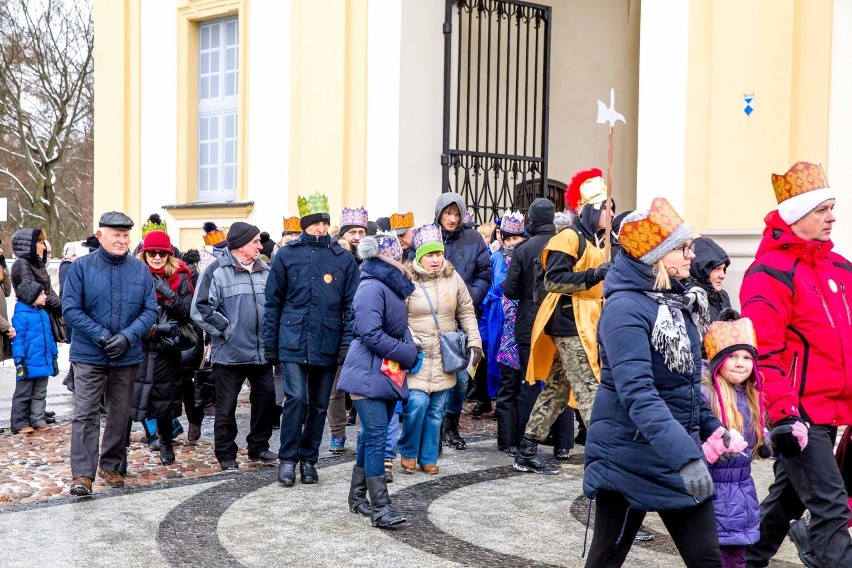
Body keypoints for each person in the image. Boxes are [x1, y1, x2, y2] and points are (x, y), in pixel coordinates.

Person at [583, 197, 725, 567]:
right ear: (656, 255)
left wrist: (713, 429)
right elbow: (639, 395)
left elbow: (684, 386)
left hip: (673, 453)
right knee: (606, 558)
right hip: (629, 459)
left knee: (708, 558)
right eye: (681, 248)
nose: (691, 255)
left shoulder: (675, 302)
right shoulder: (625, 308)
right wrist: (687, 457)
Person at [741, 161, 852, 566]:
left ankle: (744, 561)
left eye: (832, 207)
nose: (833, 216)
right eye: (822, 209)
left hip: (834, 409)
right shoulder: (768, 273)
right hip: (801, 415)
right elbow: (763, 352)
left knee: (784, 506)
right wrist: (783, 415)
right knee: (832, 508)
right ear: (796, 216)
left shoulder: (841, 268)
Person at [516, 169, 613, 474]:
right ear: (591, 209)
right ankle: (605, 460)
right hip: (570, 323)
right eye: (606, 207)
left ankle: (527, 448)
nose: (610, 213)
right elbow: (553, 281)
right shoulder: (569, 237)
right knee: (589, 389)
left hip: (588, 321)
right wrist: (594, 275)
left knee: (557, 389)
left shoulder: (599, 240)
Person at [263, 192, 359, 487]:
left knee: (319, 404)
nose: (320, 228)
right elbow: (273, 302)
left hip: (327, 341)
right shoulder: (287, 255)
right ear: (304, 225)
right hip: (292, 338)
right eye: (315, 223)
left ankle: (309, 459)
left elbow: (350, 306)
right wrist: (270, 343)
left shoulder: (342, 259)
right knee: (296, 398)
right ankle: (288, 459)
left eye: (324, 223)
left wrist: (345, 343)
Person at [62, 211, 158, 496]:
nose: (122, 240)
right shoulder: (81, 268)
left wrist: (128, 337)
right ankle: (82, 474)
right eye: (116, 235)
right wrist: (102, 335)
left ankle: (111, 465)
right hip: (89, 354)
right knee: (86, 413)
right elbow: (71, 310)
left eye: (126, 235)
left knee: (119, 414)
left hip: (126, 355)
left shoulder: (139, 270)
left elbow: (149, 310)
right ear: (101, 235)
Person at [337, 232, 418, 528]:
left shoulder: (391, 287)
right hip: (366, 372)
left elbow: (398, 328)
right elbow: (370, 334)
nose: (402, 258)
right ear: (387, 256)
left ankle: (357, 497)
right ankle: (381, 508)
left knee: (371, 436)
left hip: (384, 372)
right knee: (376, 436)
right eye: (397, 254)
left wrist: (408, 349)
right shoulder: (372, 287)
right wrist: (406, 353)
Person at [191, 221, 277, 472]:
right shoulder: (216, 271)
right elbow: (200, 309)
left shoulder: (265, 270)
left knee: (266, 400)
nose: (261, 246)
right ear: (240, 245)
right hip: (229, 354)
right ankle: (226, 455)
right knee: (226, 408)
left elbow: (273, 307)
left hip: (260, 352)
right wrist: (227, 331)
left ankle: (258, 446)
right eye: (256, 242)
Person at [398, 224, 482, 475]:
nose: (435, 260)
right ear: (420, 256)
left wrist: (474, 342)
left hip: (446, 354)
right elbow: (399, 316)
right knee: (417, 404)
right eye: (429, 255)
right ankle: (408, 450)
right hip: (419, 353)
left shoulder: (453, 277)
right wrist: (409, 342)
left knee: (436, 410)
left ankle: (428, 457)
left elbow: (466, 311)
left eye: (438, 254)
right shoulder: (407, 278)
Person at [701, 316, 765, 568]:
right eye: (733, 356)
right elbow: (689, 444)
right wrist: (712, 448)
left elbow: (752, 439)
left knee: (737, 558)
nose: (741, 364)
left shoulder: (751, 395)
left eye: (747, 358)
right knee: (718, 559)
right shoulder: (706, 395)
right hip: (714, 496)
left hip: (742, 494)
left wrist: (775, 441)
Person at [130, 231, 196, 465]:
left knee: (164, 400)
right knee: (133, 399)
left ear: (169, 255)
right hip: (138, 345)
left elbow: (188, 312)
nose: (157, 257)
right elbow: (127, 314)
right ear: (144, 253)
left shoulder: (180, 276)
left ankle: (166, 442)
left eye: (162, 253)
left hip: (168, 348)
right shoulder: (133, 274)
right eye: (152, 253)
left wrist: (168, 294)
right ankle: (119, 455)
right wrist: (154, 329)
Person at [432, 192, 491, 451]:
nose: (452, 219)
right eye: (447, 213)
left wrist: (470, 297)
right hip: (434, 316)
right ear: (439, 214)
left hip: (464, 315)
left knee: (462, 375)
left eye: (456, 213)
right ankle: (432, 425)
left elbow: (484, 273)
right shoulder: (429, 236)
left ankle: (451, 424)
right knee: (433, 372)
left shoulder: (474, 238)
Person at [326, 206, 369, 453]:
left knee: (364, 386)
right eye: (352, 231)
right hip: (339, 329)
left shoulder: (371, 258)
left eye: (361, 231)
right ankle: (337, 433)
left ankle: (365, 432)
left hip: (364, 329)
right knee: (336, 387)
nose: (357, 236)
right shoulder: (335, 258)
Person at [479, 211, 525, 424]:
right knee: (498, 358)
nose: (513, 242)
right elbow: (494, 284)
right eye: (509, 239)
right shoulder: (496, 257)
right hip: (498, 312)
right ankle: (500, 402)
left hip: (520, 311)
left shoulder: (524, 255)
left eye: (517, 238)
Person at [10, 281, 59, 434]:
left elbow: (49, 338)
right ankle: (20, 422)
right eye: (42, 294)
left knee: (40, 393)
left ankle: (38, 419)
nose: (45, 297)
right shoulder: (21, 316)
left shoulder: (43, 314)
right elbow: (18, 341)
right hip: (28, 362)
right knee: (23, 393)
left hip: (43, 362)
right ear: (31, 296)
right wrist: (19, 361)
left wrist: (54, 356)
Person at [689, 236, 734, 323]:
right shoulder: (691, 300)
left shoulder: (722, 296)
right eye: (717, 269)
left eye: (723, 269)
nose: (723, 275)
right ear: (700, 270)